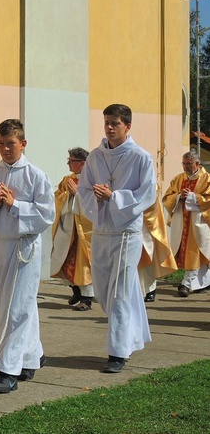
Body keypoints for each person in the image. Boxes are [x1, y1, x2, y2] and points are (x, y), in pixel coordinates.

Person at [0, 119, 54, 394]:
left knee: (16, 308)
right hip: (0, 245)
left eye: (11, 144)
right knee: (15, 304)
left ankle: (8, 369)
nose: (5, 149)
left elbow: (46, 214)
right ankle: (31, 356)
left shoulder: (36, 176)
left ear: (23, 143)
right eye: (1, 144)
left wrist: (14, 204)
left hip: (24, 248)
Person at [78, 104, 156, 374]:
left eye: (115, 123)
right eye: (107, 123)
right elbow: (83, 189)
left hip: (126, 233)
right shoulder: (95, 157)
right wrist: (96, 197)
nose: (110, 128)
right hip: (101, 231)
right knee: (103, 291)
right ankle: (130, 336)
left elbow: (148, 194)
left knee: (121, 292)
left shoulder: (141, 157)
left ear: (128, 126)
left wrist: (115, 197)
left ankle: (117, 353)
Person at [50, 147, 95, 311]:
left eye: (72, 160)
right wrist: (67, 195)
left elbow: (94, 203)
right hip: (68, 228)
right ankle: (75, 290)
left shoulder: (92, 180)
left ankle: (87, 299)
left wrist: (77, 194)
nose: (68, 163)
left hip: (85, 230)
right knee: (63, 260)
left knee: (84, 263)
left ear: (82, 163)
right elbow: (57, 197)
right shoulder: (66, 179)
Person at [162, 151, 210, 296]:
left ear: (197, 164)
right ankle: (201, 282)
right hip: (182, 222)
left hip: (198, 223)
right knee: (189, 253)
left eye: (189, 164)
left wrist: (193, 197)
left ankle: (187, 283)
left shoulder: (207, 179)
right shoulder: (178, 179)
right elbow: (167, 197)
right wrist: (178, 197)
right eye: (184, 163)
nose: (185, 167)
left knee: (196, 252)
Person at [138, 185, 177, 302]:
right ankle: (136, 290)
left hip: (146, 225)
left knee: (147, 257)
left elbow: (151, 201)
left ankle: (150, 289)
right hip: (127, 224)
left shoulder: (150, 182)